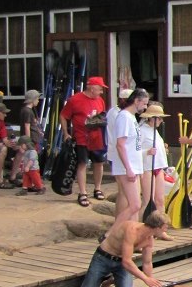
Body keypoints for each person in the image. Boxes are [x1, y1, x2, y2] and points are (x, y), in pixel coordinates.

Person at [80, 212, 167, 287]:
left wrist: (151, 282)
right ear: (157, 227)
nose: (165, 230)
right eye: (164, 227)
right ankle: (95, 277)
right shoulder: (132, 230)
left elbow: (147, 263)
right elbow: (127, 261)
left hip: (120, 263)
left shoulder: (149, 240)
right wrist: (145, 279)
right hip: (103, 258)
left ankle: (113, 279)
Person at [61, 77, 109, 207]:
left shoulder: (100, 100)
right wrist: (66, 133)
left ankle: (97, 188)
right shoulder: (75, 100)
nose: (101, 92)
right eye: (99, 89)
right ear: (91, 87)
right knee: (82, 164)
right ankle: (82, 192)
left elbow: (103, 115)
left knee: (99, 163)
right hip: (82, 138)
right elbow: (63, 116)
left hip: (97, 137)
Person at [108, 88, 149, 232]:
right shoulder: (124, 117)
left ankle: (132, 235)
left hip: (134, 166)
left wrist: (139, 168)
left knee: (134, 205)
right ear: (136, 101)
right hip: (127, 167)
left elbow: (134, 146)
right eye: (144, 103)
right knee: (135, 205)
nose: (145, 107)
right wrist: (129, 168)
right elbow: (121, 144)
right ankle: (111, 233)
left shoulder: (131, 117)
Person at [139, 102, 170, 230]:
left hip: (159, 167)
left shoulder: (155, 132)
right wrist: (147, 152)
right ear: (152, 118)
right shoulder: (141, 131)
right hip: (147, 168)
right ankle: (141, 227)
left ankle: (161, 228)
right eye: (159, 118)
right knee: (147, 200)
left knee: (160, 200)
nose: (161, 121)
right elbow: (134, 150)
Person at [10, 89, 43, 184]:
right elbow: (27, 127)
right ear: (32, 100)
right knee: (31, 159)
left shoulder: (26, 110)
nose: (38, 101)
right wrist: (28, 141)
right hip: (30, 139)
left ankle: (14, 176)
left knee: (21, 156)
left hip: (29, 138)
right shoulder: (28, 111)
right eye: (37, 99)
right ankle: (31, 180)